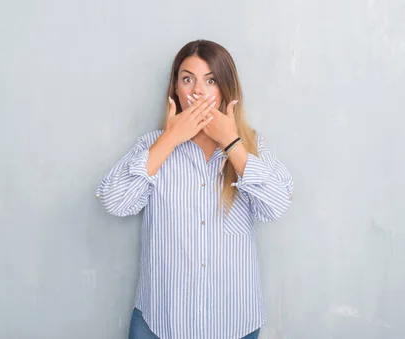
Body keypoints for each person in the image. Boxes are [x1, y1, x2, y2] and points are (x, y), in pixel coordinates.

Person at [96, 40, 294, 339]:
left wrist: (231, 143)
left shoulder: (252, 146)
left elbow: (277, 206)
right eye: (188, 79)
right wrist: (170, 139)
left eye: (210, 80)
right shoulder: (152, 146)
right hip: (160, 321)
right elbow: (115, 202)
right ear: (176, 89)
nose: (198, 91)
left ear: (226, 89)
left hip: (233, 322)